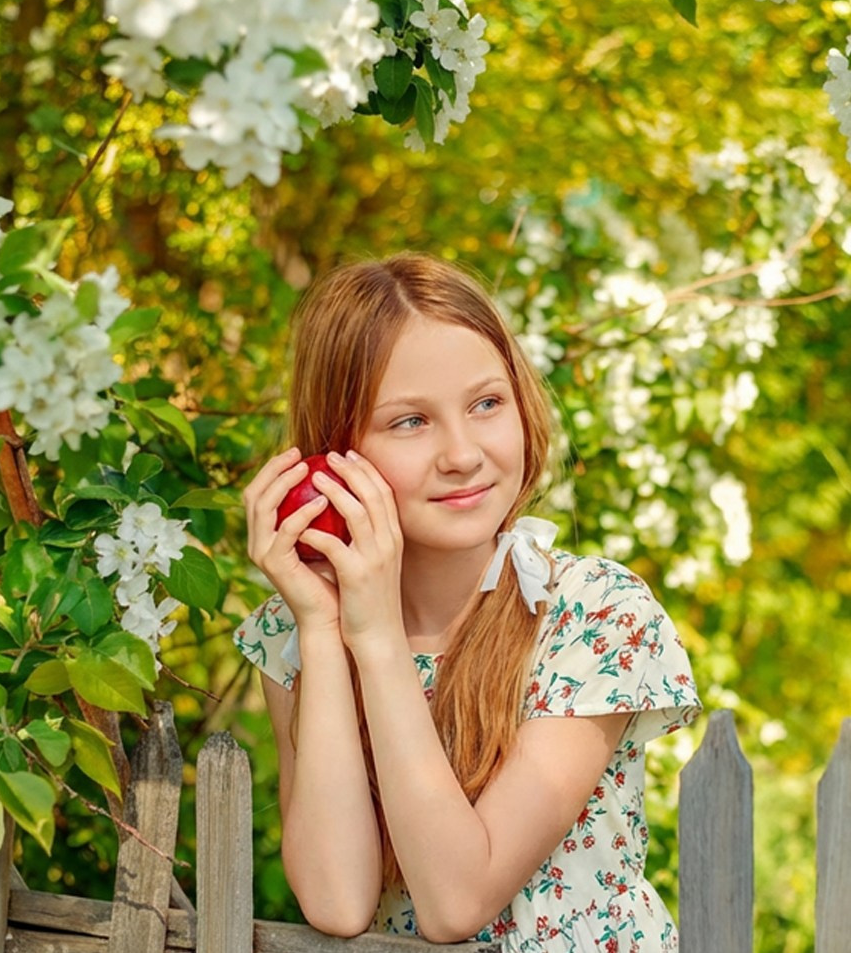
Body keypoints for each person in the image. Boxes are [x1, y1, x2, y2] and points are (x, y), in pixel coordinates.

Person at [234, 252, 700, 951]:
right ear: (333, 457)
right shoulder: (296, 632)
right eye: (410, 421)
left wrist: (378, 639)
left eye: (487, 404)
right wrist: (327, 631)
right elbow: (338, 900)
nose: (462, 454)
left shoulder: (593, 614)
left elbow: (457, 901)